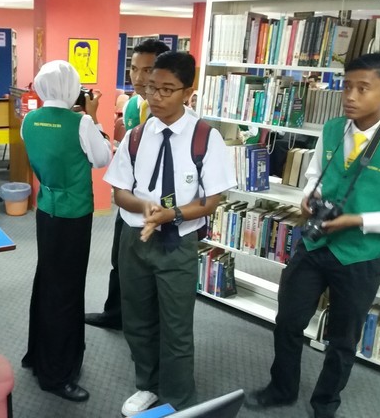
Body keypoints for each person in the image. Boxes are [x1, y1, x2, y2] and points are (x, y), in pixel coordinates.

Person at [245, 53, 380, 418]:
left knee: (342, 339)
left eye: (363, 88)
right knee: (288, 321)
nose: (351, 96)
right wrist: (308, 194)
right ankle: (281, 389)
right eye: (347, 87)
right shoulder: (332, 128)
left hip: (360, 255)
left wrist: (356, 220)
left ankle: (325, 404)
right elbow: (315, 173)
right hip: (314, 245)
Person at [104, 51, 236, 415]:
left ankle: (178, 398)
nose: (155, 97)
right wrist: (144, 207)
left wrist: (171, 214)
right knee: (137, 319)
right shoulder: (136, 136)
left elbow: (211, 200)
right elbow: (119, 192)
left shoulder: (205, 137)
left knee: (176, 326)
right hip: (135, 240)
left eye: (167, 89)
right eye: (151, 87)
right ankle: (147, 384)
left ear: (188, 92)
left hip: (177, 243)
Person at [20, 60, 111, 402]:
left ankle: (37, 355)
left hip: (46, 210)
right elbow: (102, 159)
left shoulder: (29, 120)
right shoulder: (81, 122)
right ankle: (57, 374)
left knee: (47, 280)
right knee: (67, 289)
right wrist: (94, 117)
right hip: (74, 214)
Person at [85, 38, 170, 331]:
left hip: (157, 205)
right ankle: (115, 314)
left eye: (147, 70)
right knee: (119, 259)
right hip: (129, 197)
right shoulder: (134, 105)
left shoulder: (170, 112)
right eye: (134, 68)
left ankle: (146, 326)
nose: (138, 77)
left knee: (150, 269)